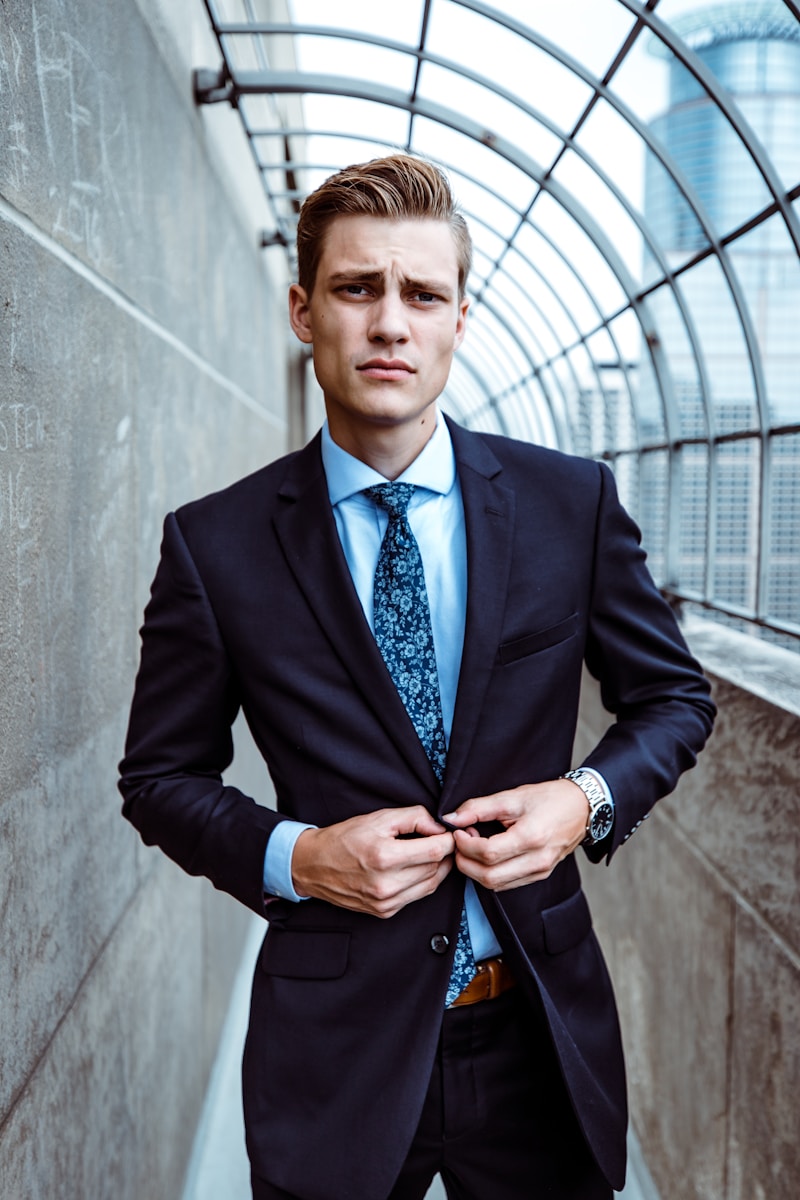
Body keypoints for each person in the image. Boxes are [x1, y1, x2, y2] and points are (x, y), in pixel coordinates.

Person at [119, 154, 715, 1200]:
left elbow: (672, 698)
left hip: (537, 1029)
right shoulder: (215, 547)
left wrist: (579, 804)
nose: (389, 323)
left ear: (457, 318)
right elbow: (159, 777)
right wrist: (296, 856)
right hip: (332, 1052)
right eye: (357, 289)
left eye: (420, 294)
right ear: (304, 312)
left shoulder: (567, 504)